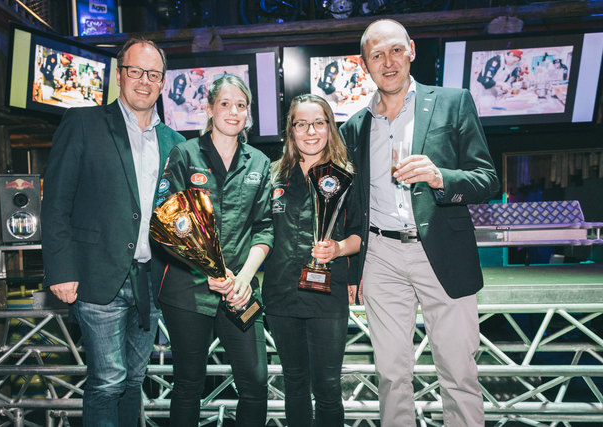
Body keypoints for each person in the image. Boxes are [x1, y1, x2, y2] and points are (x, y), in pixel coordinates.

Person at [339, 19, 499, 427]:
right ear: (364, 64)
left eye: (395, 50)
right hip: (381, 256)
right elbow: (352, 206)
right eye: (376, 55)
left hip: (442, 251)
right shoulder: (353, 127)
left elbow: (487, 180)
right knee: (392, 375)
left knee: (459, 372)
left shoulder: (452, 102)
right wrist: (352, 267)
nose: (388, 62)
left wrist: (441, 176)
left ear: (411, 49)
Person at [41, 38, 185, 427]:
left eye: (153, 74)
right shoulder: (83, 123)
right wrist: (60, 269)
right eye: (135, 71)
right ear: (119, 74)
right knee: (108, 381)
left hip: (149, 282)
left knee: (134, 379)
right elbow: (56, 202)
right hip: (95, 275)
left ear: (162, 83)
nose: (143, 81)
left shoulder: (176, 144)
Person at [155, 74, 272, 426]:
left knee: (256, 382)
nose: (234, 112)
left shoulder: (260, 163)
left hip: (240, 291)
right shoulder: (184, 154)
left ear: (248, 113)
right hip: (187, 291)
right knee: (188, 385)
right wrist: (210, 271)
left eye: (241, 105)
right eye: (225, 103)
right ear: (209, 108)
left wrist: (245, 278)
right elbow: (167, 223)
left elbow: (264, 228)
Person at [263, 93, 361, 427]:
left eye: (319, 122)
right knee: (294, 385)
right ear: (290, 131)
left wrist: (337, 249)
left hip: (327, 295)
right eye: (301, 123)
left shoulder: (347, 177)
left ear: (330, 128)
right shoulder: (274, 176)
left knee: (328, 387)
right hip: (280, 296)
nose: (310, 131)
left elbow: (360, 235)